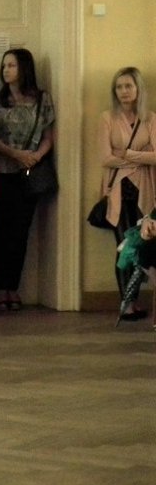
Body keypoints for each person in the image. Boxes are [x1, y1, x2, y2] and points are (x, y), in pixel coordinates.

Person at [0, 49, 55, 311]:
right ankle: (0, 288)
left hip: (28, 173)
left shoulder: (42, 99)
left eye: (12, 65)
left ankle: (13, 288)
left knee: (20, 232)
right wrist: (15, 154)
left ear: (24, 68)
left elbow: (48, 136)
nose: (6, 70)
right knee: (0, 231)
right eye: (4, 65)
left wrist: (35, 156)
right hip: (0, 172)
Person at [98, 67, 156, 320]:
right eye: (119, 87)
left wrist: (128, 154)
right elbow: (105, 158)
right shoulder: (107, 118)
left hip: (146, 190)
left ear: (138, 89)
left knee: (142, 247)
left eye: (128, 86)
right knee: (124, 247)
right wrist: (142, 156)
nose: (123, 91)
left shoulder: (150, 119)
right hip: (119, 192)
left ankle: (135, 300)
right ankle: (127, 304)